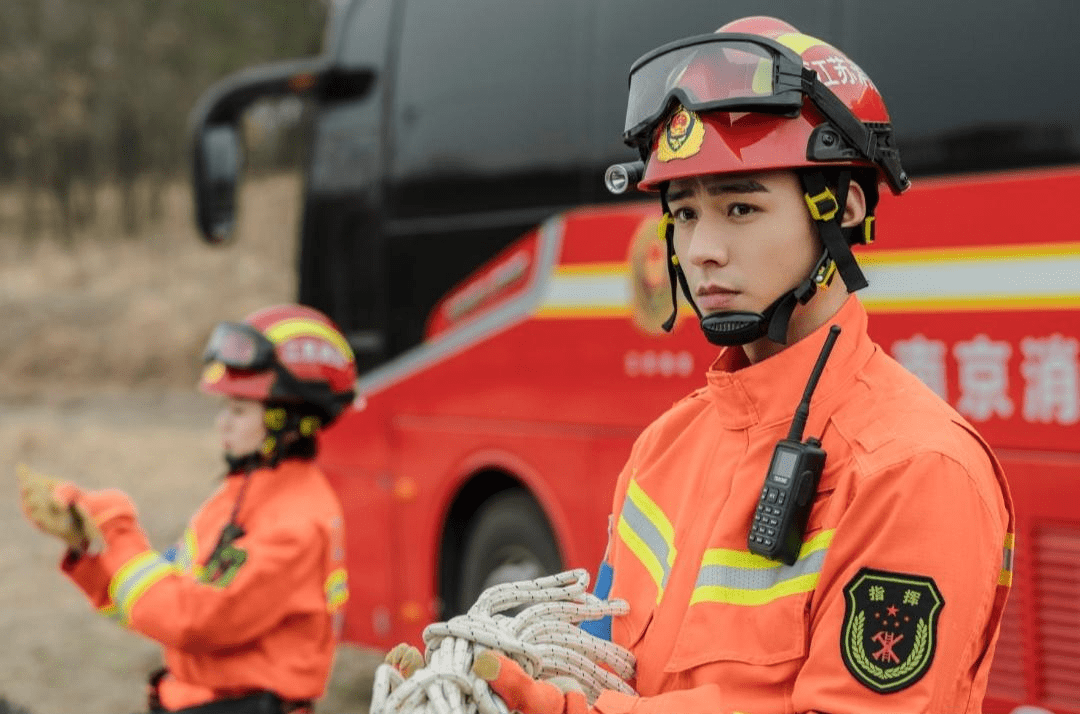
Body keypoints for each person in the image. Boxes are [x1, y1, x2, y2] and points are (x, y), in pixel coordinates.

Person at [470, 16, 1015, 714]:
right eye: (685, 213)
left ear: (843, 209)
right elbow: (603, 663)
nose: (701, 251)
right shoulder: (662, 449)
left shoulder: (914, 470)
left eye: (739, 207)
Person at [18, 304, 356, 714]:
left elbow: (195, 621)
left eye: (238, 411)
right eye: (224, 408)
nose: (222, 424)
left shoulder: (297, 522)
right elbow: (163, 603)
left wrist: (119, 533)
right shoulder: (243, 493)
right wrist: (94, 551)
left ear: (290, 421)